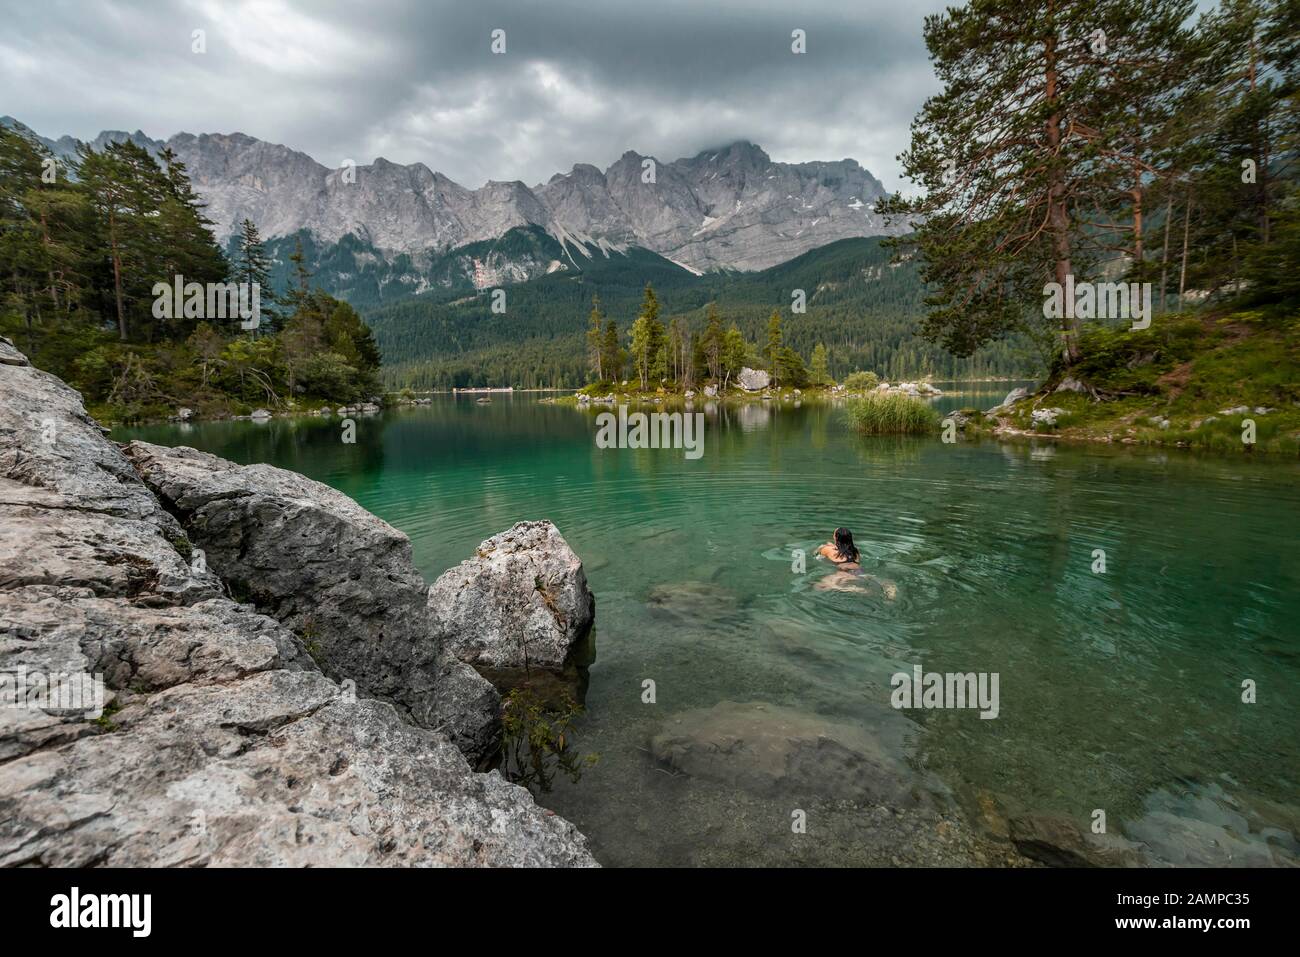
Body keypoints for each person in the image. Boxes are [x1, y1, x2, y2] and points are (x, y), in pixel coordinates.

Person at [814, 527, 898, 599]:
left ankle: (852, 589)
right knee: (886, 583)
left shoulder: (826, 549)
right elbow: (842, 550)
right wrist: (833, 546)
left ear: (836, 537)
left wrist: (821, 547)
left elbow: (817, 553)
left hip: (843, 573)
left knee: (819, 586)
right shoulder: (855, 550)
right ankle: (890, 593)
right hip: (859, 572)